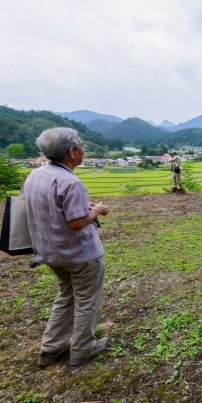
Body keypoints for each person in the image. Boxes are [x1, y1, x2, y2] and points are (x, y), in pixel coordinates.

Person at [22, 127, 112, 368]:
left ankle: (51, 347)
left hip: (50, 252)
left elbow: (52, 207)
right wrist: (95, 211)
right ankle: (83, 349)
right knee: (87, 300)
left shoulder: (36, 175)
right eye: (81, 146)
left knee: (66, 296)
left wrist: (86, 207)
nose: (83, 150)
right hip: (80, 256)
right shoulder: (71, 182)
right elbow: (76, 223)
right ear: (71, 152)